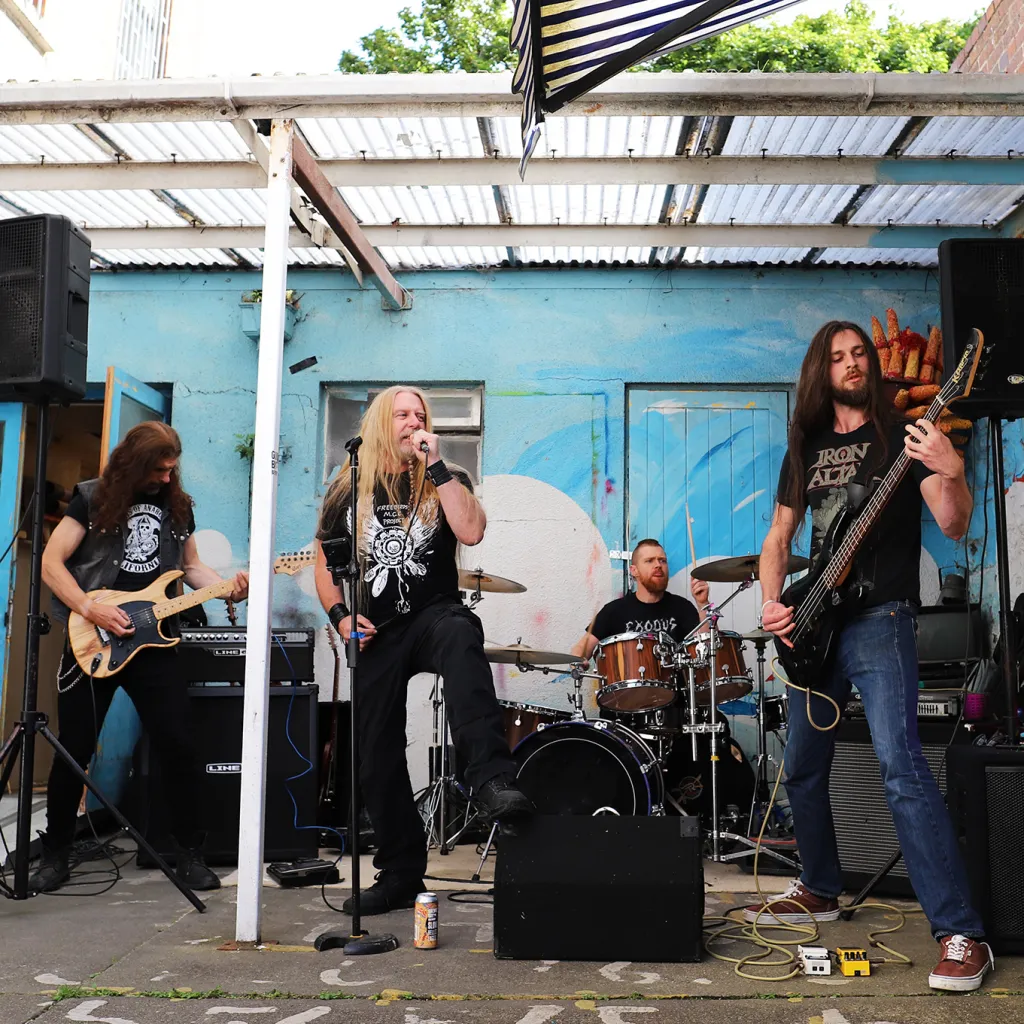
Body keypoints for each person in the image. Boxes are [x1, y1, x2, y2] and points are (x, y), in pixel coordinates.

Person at [749, 320, 993, 993]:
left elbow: (952, 522)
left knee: (901, 767)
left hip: (880, 619)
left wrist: (952, 469)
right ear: (819, 370)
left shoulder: (902, 435)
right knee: (801, 767)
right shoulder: (806, 445)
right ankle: (820, 888)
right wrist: (775, 604)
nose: (852, 363)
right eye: (838, 355)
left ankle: (961, 932)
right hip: (811, 622)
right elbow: (778, 536)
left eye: (860, 353)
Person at [315, 385, 532, 916]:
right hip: (376, 629)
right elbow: (325, 564)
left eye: (421, 414)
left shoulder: (445, 478)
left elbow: (472, 531)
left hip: (433, 613)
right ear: (379, 422)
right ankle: (400, 872)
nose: (414, 422)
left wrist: (435, 465)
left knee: (462, 633)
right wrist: (342, 617)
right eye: (403, 414)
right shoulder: (349, 484)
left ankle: (490, 779)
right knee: (375, 753)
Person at [30, 422, 249, 895]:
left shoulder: (178, 505)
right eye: (159, 470)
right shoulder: (90, 497)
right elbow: (51, 562)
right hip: (95, 637)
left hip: (155, 640)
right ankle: (56, 853)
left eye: (173, 470)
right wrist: (92, 608)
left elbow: (189, 566)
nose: (168, 479)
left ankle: (188, 853)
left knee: (179, 746)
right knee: (76, 749)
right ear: (134, 463)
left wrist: (225, 583)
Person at [571, 539, 710, 660]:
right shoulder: (614, 611)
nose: (658, 565)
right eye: (649, 561)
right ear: (634, 570)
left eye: (662, 560)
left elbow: (706, 647)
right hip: (626, 690)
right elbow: (582, 649)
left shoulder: (682, 607)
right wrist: (578, 661)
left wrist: (702, 603)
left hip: (675, 688)